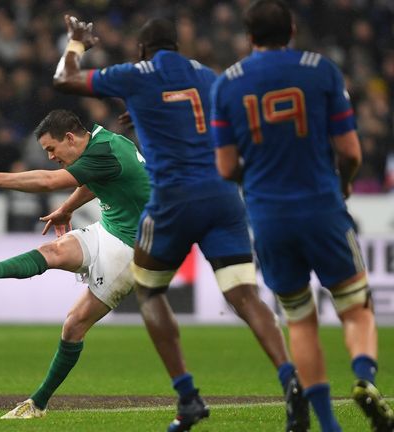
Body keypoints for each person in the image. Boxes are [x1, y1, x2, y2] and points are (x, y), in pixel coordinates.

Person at [53, 14, 304, 432]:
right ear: (179, 45)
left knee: (149, 292)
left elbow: (65, 79)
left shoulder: (134, 74)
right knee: (246, 295)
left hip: (172, 200)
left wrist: (77, 43)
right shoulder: (208, 76)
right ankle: (290, 379)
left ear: (140, 50)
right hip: (224, 198)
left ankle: (187, 397)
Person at [210, 1, 394, 431]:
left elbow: (223, 168)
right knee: (355, 306)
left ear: (249, 35)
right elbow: (350, 151)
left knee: (300, 318)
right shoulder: (322, 70)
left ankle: (328, 425)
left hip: (268, 216)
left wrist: (255, 170)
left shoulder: (227, 85)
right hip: (320, 206)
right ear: (291, 29)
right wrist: (345, 182)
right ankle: (364, 377)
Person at [0, 109, 150, 419]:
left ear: (70, 138)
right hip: (110, 228)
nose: (49, 156)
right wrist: (65, 209)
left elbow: (48, 181)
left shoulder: (105, 150)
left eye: (51, 149)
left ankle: (38, 404)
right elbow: (92, 180)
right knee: (55, 251)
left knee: (73, 326)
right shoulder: (105, 143)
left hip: (131, 248)